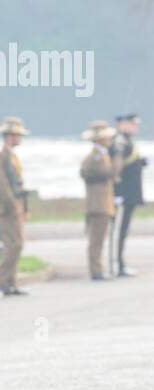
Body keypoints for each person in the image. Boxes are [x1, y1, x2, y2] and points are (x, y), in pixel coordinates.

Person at [0, 116, 30, 296]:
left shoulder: (11, 156)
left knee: (17, 244)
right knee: (14, 245)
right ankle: (0, 280)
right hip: (8, 209)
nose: (20, 138)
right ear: (9, 136)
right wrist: (14, 205)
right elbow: (2, 185)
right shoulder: (1, 158)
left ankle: (11, 283)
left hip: (16, 206)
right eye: (17, 135)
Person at [80, 120, 120, 281]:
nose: (108, 140)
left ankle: (98, 268)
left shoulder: (101, 155)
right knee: (96, 240)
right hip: (98, 204)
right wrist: (117, 159)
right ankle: (96, 269)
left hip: (102, 203)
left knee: (99, 239)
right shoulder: (96, 157)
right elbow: (107, 173)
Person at [111, 114, 145, 276]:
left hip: (129, 195)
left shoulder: (127, 141)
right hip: (123, 195)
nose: (135, 127)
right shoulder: (120, 141)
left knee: (122, 230)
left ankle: (119, 264)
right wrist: (117, 192)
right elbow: (117, 168)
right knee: (118, 229)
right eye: (132, 124)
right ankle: (117, 265)